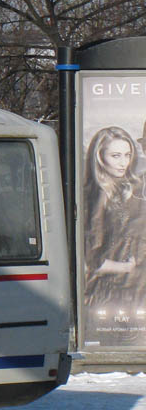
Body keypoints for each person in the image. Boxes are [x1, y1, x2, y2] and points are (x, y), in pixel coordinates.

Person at [82, 126, 146, 315]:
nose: (124, 163)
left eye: (127, 155)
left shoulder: (126, 189)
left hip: (129, 289)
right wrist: (127, 267)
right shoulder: (98, 197)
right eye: (116, 156)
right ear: (100, 158)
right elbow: (92, 259)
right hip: (110, 292)